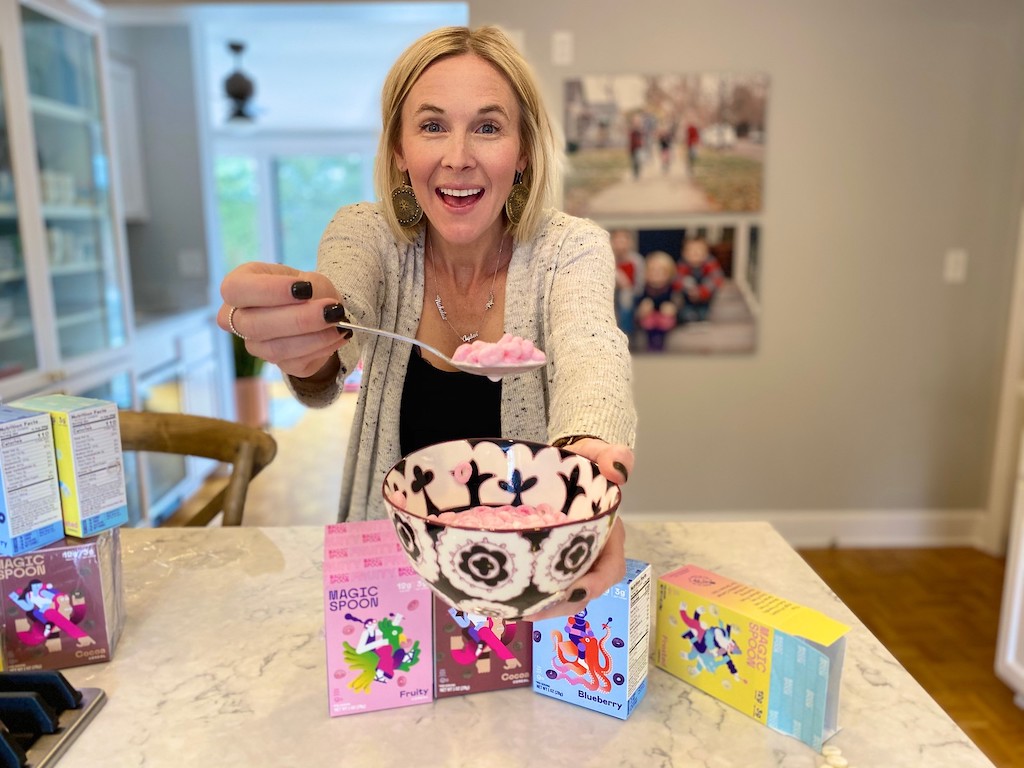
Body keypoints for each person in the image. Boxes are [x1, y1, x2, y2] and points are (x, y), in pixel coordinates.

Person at [217, 26, 636, 622]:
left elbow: (591, 351)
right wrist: (307, 343)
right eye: (432, 125)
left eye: (488, 127)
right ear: (398, 150)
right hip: (389, 595)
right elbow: (343, 317)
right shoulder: (369, 237)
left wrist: (586, 472)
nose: (458, 156)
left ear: (522, 154)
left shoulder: (570, 250)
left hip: (530, 584)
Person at [634, 250, 678, 352]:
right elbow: (637, 304)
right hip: (649, 318)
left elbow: (677, 303)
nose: (656, 275)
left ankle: (661, 341)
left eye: (660, 271)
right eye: (652, 271)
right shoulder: (643, 289)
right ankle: (651, 341)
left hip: (664, 318)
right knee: (647, 320)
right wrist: (642, 309)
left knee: (666, 319)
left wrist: (673, 309)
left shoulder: (671, 289)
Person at [677, 235, 724, 323]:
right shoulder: (682, 265)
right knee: (685, 313)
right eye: (691, 251)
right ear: (684, 253)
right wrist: (689, 290)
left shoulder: (710, 263)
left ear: (706, 253)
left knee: (704, 314)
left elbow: (717, 279)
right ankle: (689, 315)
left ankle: (703, 315)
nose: (695, 253)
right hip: (688, 298)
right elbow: (677, 280)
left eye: (699, 250)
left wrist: (702, 292)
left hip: (706, 298)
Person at [609, 228, 645, 338]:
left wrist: (627, 287)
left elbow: (639, 287)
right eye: (617, 241)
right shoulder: (608, 259)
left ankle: (625, 334)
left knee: (626, 297)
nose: (620, 245)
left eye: (624, 241)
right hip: (610, 296)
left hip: (631, 296)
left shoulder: (636, 261)